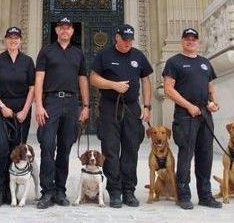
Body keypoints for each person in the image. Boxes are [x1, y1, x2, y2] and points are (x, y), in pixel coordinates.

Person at [88, 24, 153, 208]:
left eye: (130, 40)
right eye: (124, 39)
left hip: (132, 108)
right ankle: (115, 191)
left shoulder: (138, 56)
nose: (127, 43)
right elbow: (93, 78)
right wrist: (113, 85)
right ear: (116, 37)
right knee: (111, 150)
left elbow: (146, 80)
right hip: (110, 107)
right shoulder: (104, 55)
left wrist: (147, 106)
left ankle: (128, 191)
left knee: (131, 149)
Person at [162, 27, 223, 210]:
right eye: (187, 38)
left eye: (194, 39)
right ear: (182, 41)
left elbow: (211, 87)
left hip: (205, 113)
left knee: (205, 155)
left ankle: (205, 195)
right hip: (185, 114)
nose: (190, 41)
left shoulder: (205, 62)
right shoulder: (174, 62)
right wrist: (188, 106)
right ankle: (184, 195)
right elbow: (168, 89)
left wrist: (214, 103)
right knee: (186, 155)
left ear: (198, 41)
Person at [33, 16, 90, 209]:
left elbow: (83, 79)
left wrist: (86, 106)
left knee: (65, 148)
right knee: (48, 146)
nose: (65, 31)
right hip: (51, 102)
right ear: (56, 31)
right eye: (61, 28)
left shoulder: (78, 53)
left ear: (72, 31)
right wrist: (38, 105)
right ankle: (47, 192)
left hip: (72, 103)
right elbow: (39, 80)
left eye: (68, 28)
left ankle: (60, 191)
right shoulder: (46, 51)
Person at [0, 26, 36, 208]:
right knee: (1, 148)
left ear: (21, 41)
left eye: (16, 38)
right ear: (5, 40)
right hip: (1, 110)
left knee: (18, 151)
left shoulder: (28, 61)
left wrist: (25, 110)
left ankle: (12, 192)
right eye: (10, 38)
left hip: (22, 111)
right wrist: (2, 106)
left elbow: (32, 87)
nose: (13, 41)